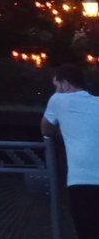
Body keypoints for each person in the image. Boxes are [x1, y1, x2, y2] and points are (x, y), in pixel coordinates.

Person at [41, 63, 99, 239]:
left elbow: (45, 129)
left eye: (56, 85)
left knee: (86, 231)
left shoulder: (58, 100)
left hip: (82, 179)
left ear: (65, 84)